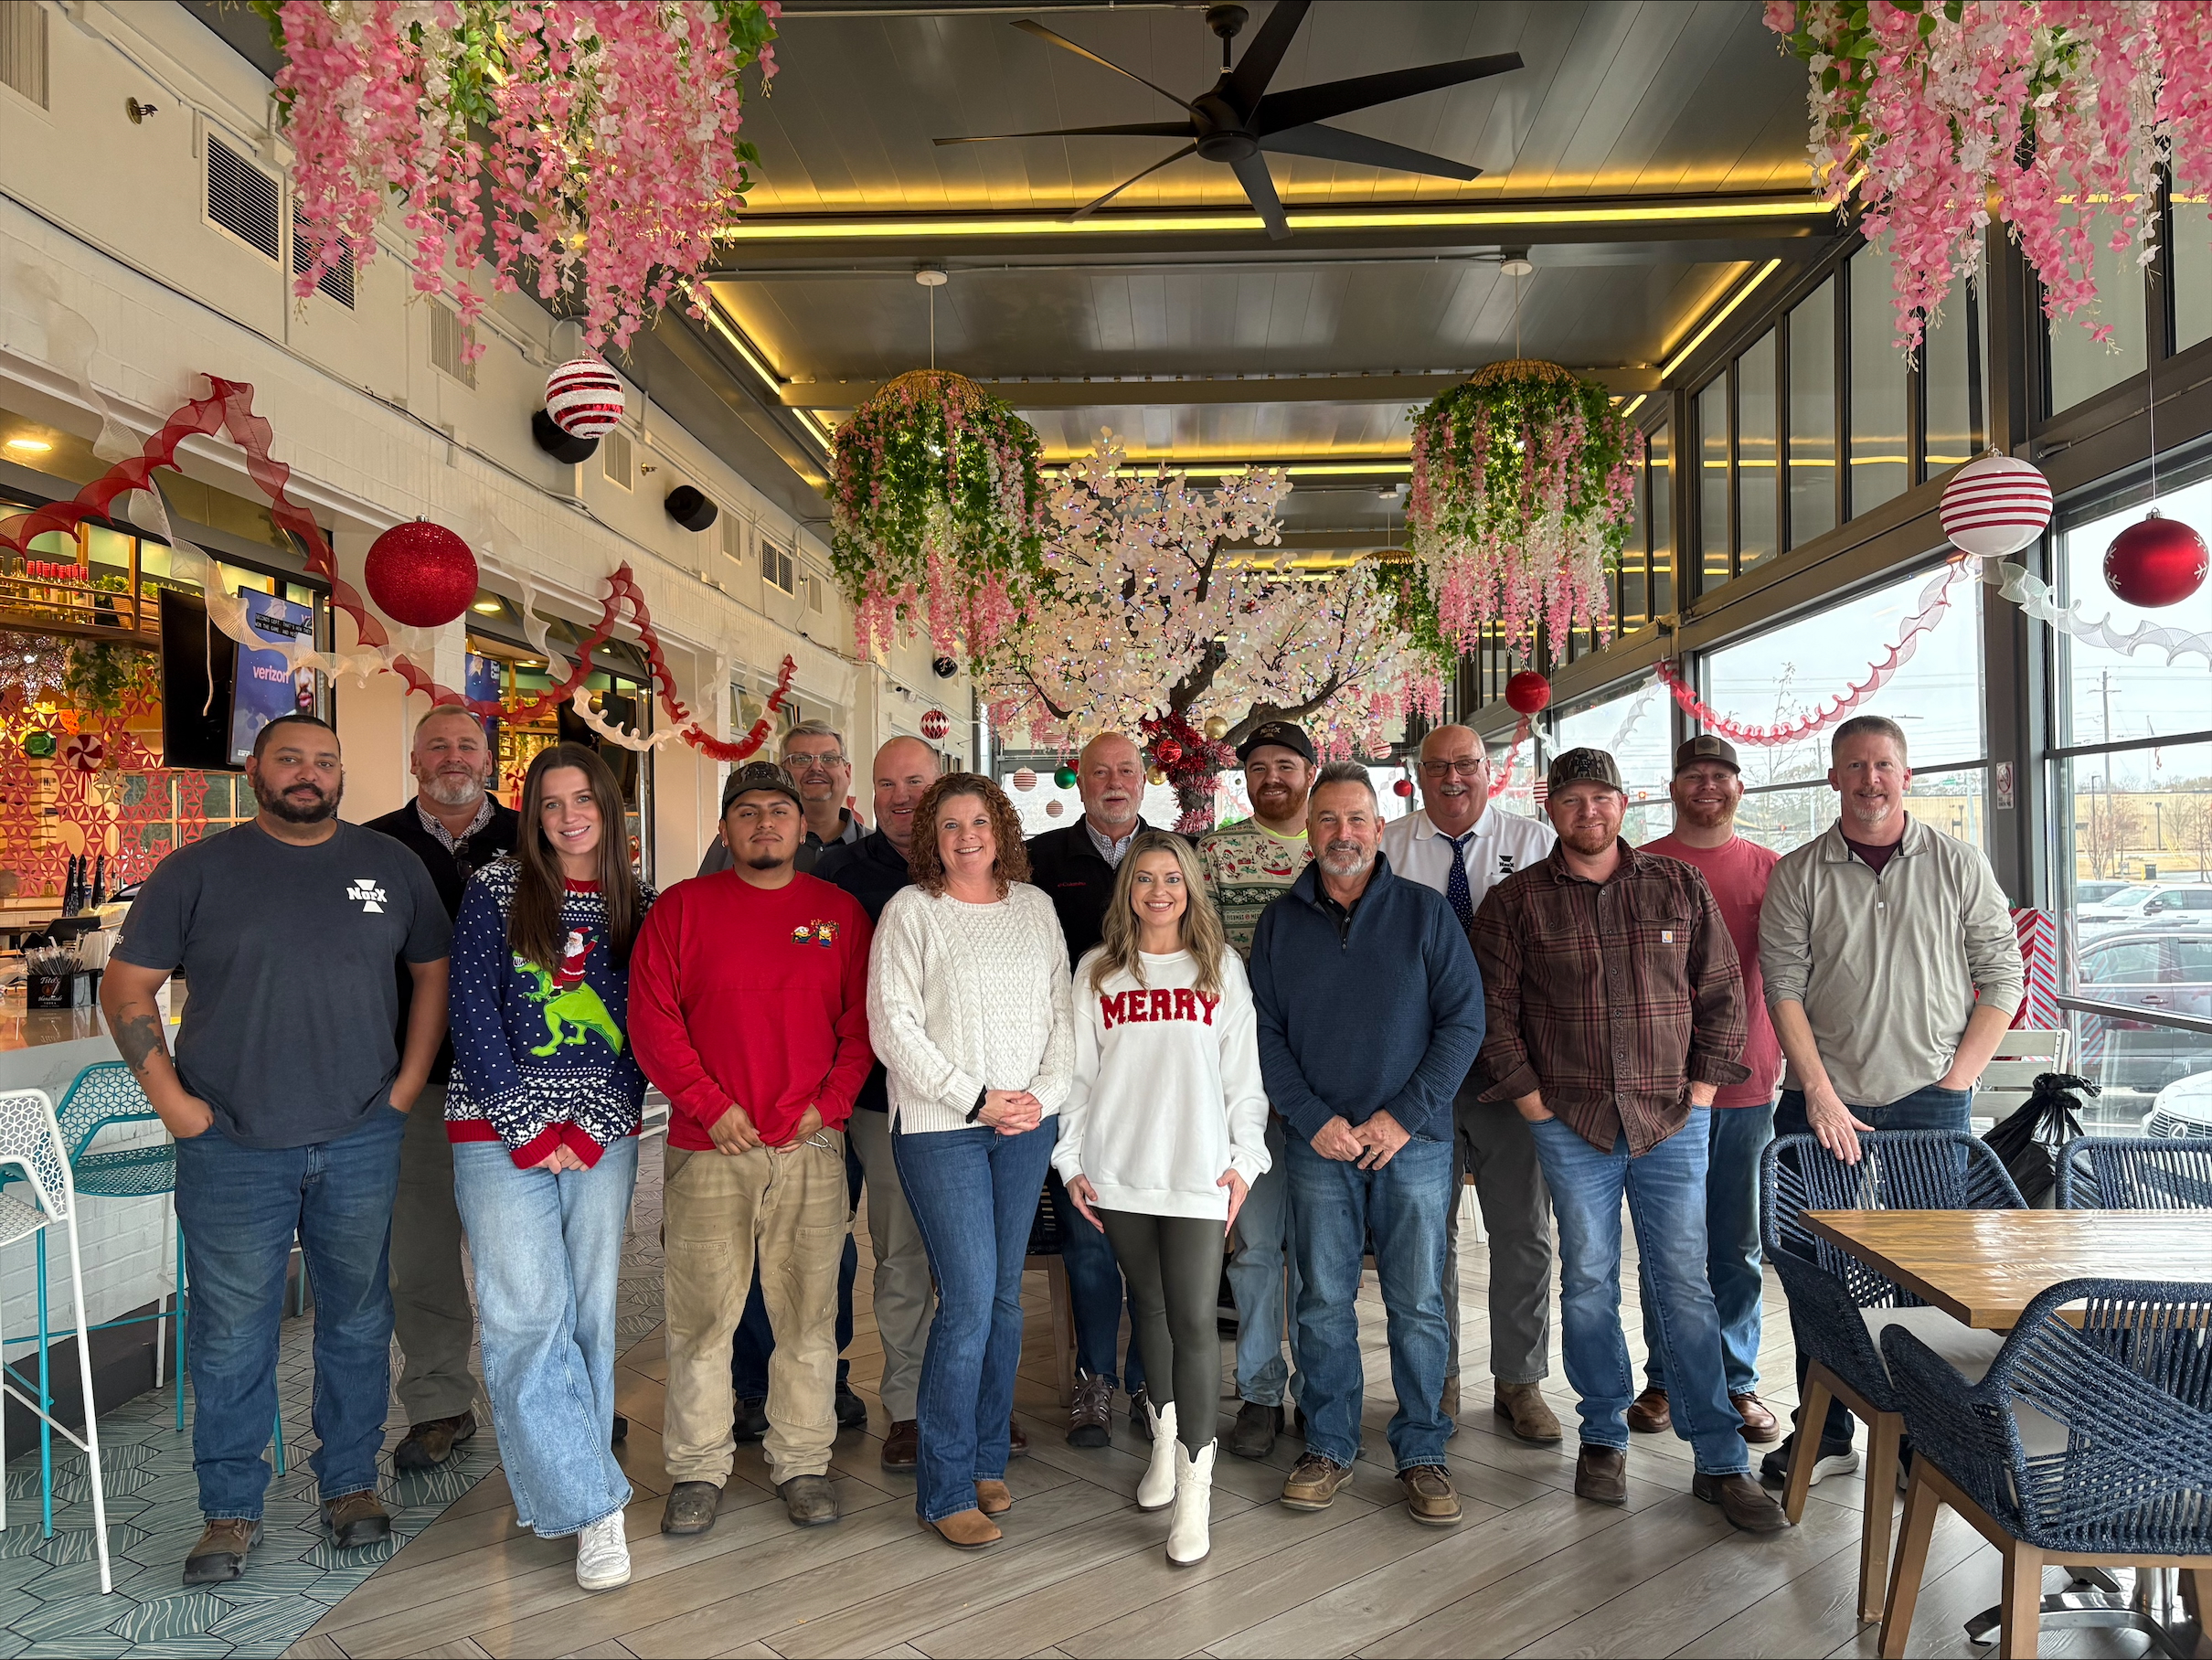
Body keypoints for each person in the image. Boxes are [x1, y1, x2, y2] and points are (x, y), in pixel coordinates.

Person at [101, 714, 451, 1585]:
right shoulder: (197, 870)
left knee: (359, 1318)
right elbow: (127, 985)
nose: (308, 774)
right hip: (232, 1145)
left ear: (341, 774)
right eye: (289, 759)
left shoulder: (389, 865)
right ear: (255, 771)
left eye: (324, 761)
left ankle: (350, 1484)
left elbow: (432, 974)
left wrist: (406, 1087)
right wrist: (173, 1103)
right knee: (230, 1332)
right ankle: (229, 1510)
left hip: (361, 1134)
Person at [1472, 747, 1785, 1534]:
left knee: (1684, 1283)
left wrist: (1704, 1093)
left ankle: (1719, 1458)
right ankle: (1602, 1437)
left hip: (1673, 1119)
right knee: (1588, 1280)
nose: (1589, 811)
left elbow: (1722, 995)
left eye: (1602, 797)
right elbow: (1492, 1015)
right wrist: (1534, 1105)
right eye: (1572, 799)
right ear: (1552, 810)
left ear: (1623, 803)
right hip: (1570, 1122)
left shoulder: (1677, 885)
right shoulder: (1516, 903)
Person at [1756, 714, 2024, 1488]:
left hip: (1928, 1101)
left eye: (1882, 765)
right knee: (1817, 1271)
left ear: (1906, 776)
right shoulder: (1798, 873)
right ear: (1833, 778)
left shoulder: (1959, 863)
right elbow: (1783, 987)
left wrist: (1959, 1080)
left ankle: (1921, 1438)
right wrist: (1817, 1092)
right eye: (1854, 766)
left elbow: (2002, 976)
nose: (1869, 779)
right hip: (1821, 1102)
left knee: (1927, 1277)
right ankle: (1827, 1427)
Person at [630, 761, 874, 1533]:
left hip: (810, 1146)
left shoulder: (837, 914)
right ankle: (697, 1469)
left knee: (807, 1316)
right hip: (709, 1148)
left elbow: (862, 1025)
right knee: (702, 1319)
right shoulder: (680, 910)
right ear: (725, 828)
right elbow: (653, 1021)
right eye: (748, 812)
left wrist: (828, 1107)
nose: (764, 823)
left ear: (803, 827)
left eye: (779, 811)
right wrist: (708, 1105)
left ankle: (802, 1461)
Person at [1248, 761, 1484, 1527]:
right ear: (1308, 832)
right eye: (1327, 820)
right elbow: (1264, 1034)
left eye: (1356, 819)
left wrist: (1402, 1117)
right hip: (1319, 1143)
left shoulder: (1424, 914)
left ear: (1379, 829)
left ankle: (1422, 1449)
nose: (1342, 833)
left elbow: (1464, 1023)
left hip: (1413, 1142)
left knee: (1417, 1301)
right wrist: (1311, 1117)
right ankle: (1329, 1444)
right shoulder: (1280, 923)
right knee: (1321, 1301)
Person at [446, 744, 654, 1592]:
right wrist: (530, 1128)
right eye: (551, 803)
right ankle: (595, 1508)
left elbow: (646, 1030)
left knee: (590, 1318)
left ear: (609, 808)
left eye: (584, 800)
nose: (569, 817)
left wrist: (594, 1127)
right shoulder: (496, 890)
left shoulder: (641, 904)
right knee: (524, 1317)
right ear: (532, 814)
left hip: (603, 1133)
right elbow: (472, 1013)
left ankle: (580, 1491)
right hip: (495, 1131)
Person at [870, 774, 1074, 1549]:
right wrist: (975, 1098)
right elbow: (893, 1027)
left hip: (1024, 1127)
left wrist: (1040, 1097)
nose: (966, 836)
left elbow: (1063, 1017)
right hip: (941, 1128)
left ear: (1002, 829)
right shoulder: (911, 911)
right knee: (966, 1301)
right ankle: (945, 1487)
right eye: (950, 824)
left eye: (980, 821)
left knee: (1004, 1300)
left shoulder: (1037, 908)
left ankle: (989, 1458)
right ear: (932, 835)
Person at [1056, 832, 1271, 1565]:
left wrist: (1246, 1161)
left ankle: (1196, 1491)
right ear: (1128, 890)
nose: (1158, 891)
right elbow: (1079, 1080)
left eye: (1172, 878)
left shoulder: (1220, 969)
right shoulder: (1098, 972)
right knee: (1145, 1308)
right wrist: (1070, 1161)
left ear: (1191, 889)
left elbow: (1244, 1080)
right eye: (1144, 878)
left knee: (1194, 1320)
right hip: (1119, 1170)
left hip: (1198, 1173)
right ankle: (1164, 1444)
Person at [1377, 724, 1561, 1445]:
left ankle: (1520, 1381)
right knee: (1428, 1234)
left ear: (1490, 769)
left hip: (1512, 1073)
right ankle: (1440, 1378)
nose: (1452, 777)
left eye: (1466, 764)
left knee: (1523, 1231)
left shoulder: (1535, 843)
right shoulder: (1389, 847)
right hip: (1418, 1076)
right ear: (1418, 774)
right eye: (1437, 766)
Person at [364, 704, 519, 1472]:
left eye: (467, 746)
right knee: (420, 1252)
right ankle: (438, 1403)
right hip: (417, 1085)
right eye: (437, 746)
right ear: (414, 760)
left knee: (530, 1255)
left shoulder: (536, 835)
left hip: (522, 1085)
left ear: (488, 762)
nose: (453, 756)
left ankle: (555, 1394)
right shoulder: (370, 847)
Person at [1629, 736, 1784, 1446]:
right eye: (1694, 776)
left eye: (1721, 776)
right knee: (1666, 1243)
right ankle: (1665, 1377)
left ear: (1739, 789)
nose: (1708, 787)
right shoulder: (1641, 867)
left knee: (1736, 1242)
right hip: (1658, 1089)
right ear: (1673, 787)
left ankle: (1735, 1380)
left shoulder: (1770, 871)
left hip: (1745, 1085)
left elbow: (1795, 974)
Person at [809, 736, 941, 1471]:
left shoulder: (972, 862)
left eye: (915, 782)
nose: (901, 798)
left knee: (951, 1257)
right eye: (888, 784)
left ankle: (958, 1400)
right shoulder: (838, 874)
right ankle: (900, 1404)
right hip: (864, 1097)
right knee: (888, 1253)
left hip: (956, 1101)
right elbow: (812, 971)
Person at [1026, 732, 1156, 1444]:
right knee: (1088, 1234)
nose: (1114, 782)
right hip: (1074, 1080)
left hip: (1159, 1081)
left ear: (1144, 779)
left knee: (1156, 1239)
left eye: (1125, 770)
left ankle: (1146, 1379)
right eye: (1099, 771)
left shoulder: (1174, 855)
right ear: (1079, 781)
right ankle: (1094, 1379)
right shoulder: (1040, 860)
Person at [1197, 719, 1314, 1460]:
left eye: (1286, 764)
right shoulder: (1217, 855)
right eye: (1258, 766)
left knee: (1322, 1253)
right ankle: (1261, 1393)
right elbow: (1206, 967)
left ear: (1311, 771)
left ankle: (1321, 1392)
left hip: (1330, 1090)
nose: (1272, 777)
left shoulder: (1343, 844)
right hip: (1248, 1087)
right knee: (1256, 1248)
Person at [696, 720, 865, 878]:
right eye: (801, 759)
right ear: (782, 772)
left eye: (829, 758)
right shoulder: (735, 842)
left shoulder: (876, 848)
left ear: (847, 772)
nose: (816, 768)